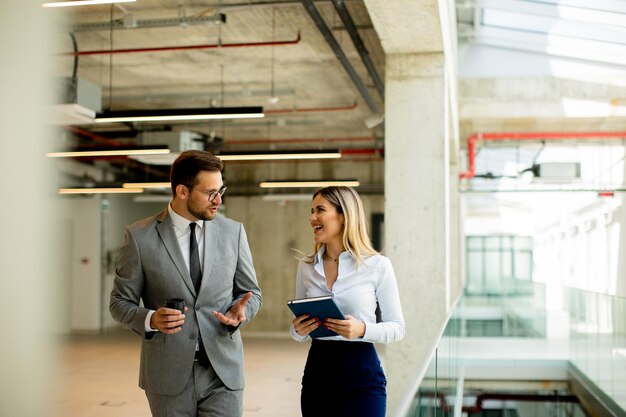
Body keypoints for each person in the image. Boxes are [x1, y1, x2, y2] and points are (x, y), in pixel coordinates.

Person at [110, 150, 262, 417]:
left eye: (220, 190)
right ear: (182, 191)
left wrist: (242, 311)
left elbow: (251, 293)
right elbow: (119, 303)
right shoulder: (139, 237)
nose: (219, 200)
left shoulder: (233, 232)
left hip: (223, 373)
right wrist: (150, 319)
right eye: (210, 193)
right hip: (167, 375)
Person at [290, 186, 405, 417]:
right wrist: (298, 330)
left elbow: (397, 328)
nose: (312, 218)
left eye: (320, 210)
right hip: (318, 376)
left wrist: (362, 329)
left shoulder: (377, 266)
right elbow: (297, 331)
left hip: (363, 380)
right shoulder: (306, 266)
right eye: (311, 211)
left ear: (343, 216)